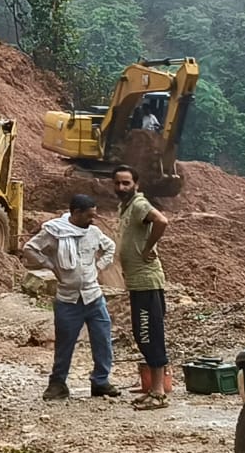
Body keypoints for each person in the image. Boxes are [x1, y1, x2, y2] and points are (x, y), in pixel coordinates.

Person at [22, 194, 120, 400]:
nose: (92, 220)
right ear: (76, 213)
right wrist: (50, 265)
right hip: (68, 300)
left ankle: (101, 382)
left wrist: (99, 266)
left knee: (102, 340)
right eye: (89, 215)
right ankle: (57, 384)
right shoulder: (55, 231)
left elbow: (110, 247)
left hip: (94, 297)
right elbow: (30, 248)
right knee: (64, 345)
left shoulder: (93, 232)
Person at [114, 164, 171, 410]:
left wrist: (148, 249)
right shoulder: (125, 207)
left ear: (136, 184)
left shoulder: (138, 204)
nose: (121, 187)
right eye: (117, 183)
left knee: (149, 334)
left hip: (147, 281)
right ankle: (153, 389)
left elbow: (161, 221)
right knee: (142, 334)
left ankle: (158, 393)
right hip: (137, 283)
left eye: (126, 183)